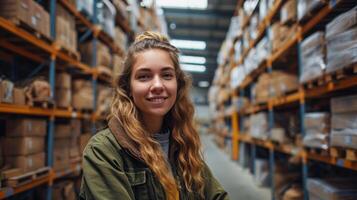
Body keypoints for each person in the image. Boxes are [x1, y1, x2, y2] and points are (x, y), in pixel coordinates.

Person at [79, 31, 228, 200]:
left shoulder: (181, 144)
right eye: (144, 77)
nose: (157, 85)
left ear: (178, 85)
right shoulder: (104, 151)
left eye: (166, 75)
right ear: (128, 87)